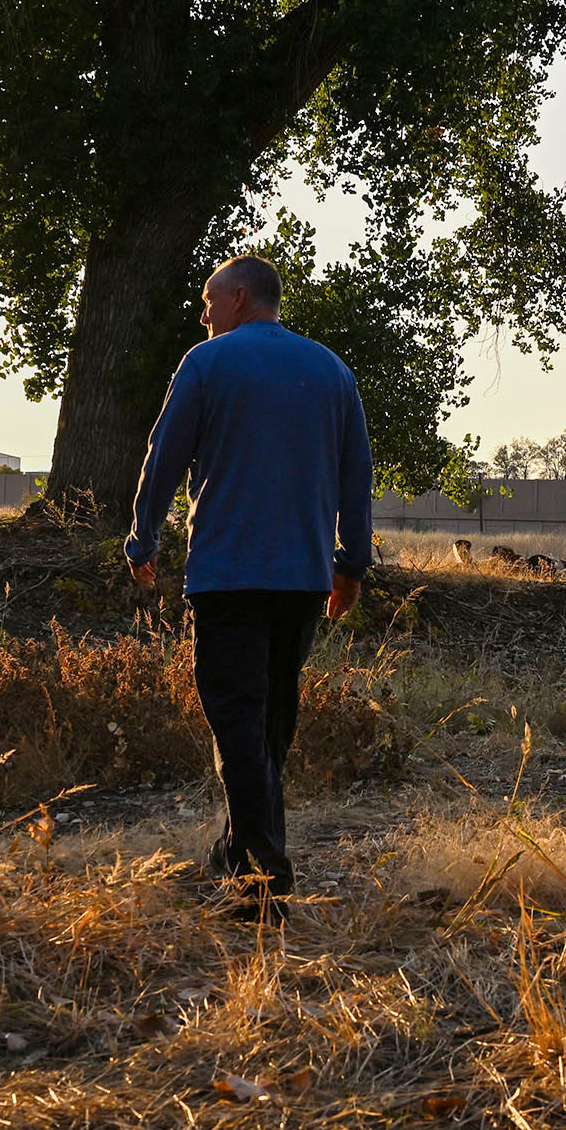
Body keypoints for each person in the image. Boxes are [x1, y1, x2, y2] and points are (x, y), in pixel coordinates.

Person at [124, 254, 373, 907]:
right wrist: (350, 566)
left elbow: (162, 457)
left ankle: (264, 877)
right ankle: (235, 853)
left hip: (227, 576)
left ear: (237, 297)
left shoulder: (206, 363)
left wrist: (141, 538)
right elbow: (357, 476)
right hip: (303, 579)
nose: (203, 314)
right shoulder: (332, 370)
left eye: (209, 300)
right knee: (270, 724)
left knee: (237, 720)